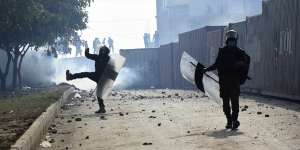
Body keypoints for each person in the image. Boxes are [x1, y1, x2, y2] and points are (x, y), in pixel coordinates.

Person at [204, 30, 250, 130]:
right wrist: (207, 69)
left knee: (234, 103)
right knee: (227, 104)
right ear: (227, 41)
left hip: (232, 82)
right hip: (226, 82)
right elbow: (216, 64)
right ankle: (230, 121)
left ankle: (233, 121)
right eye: (230, 41)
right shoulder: (224, 51)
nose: (231, 43)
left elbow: (245, 64)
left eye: (232, 41)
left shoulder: (239, 52)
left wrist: (240, 66)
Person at [66, 46, 111, 113]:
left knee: (99, 93)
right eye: (101, 50)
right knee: (85, 74)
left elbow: (112, 70)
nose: (102, 51)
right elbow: (88, 55)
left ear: (106, 51)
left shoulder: (108, 59)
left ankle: (102, 108)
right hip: (97, 75)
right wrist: (86, 51)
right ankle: (70, 77)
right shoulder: (97, 57)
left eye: (103, 50)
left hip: (103, 78)